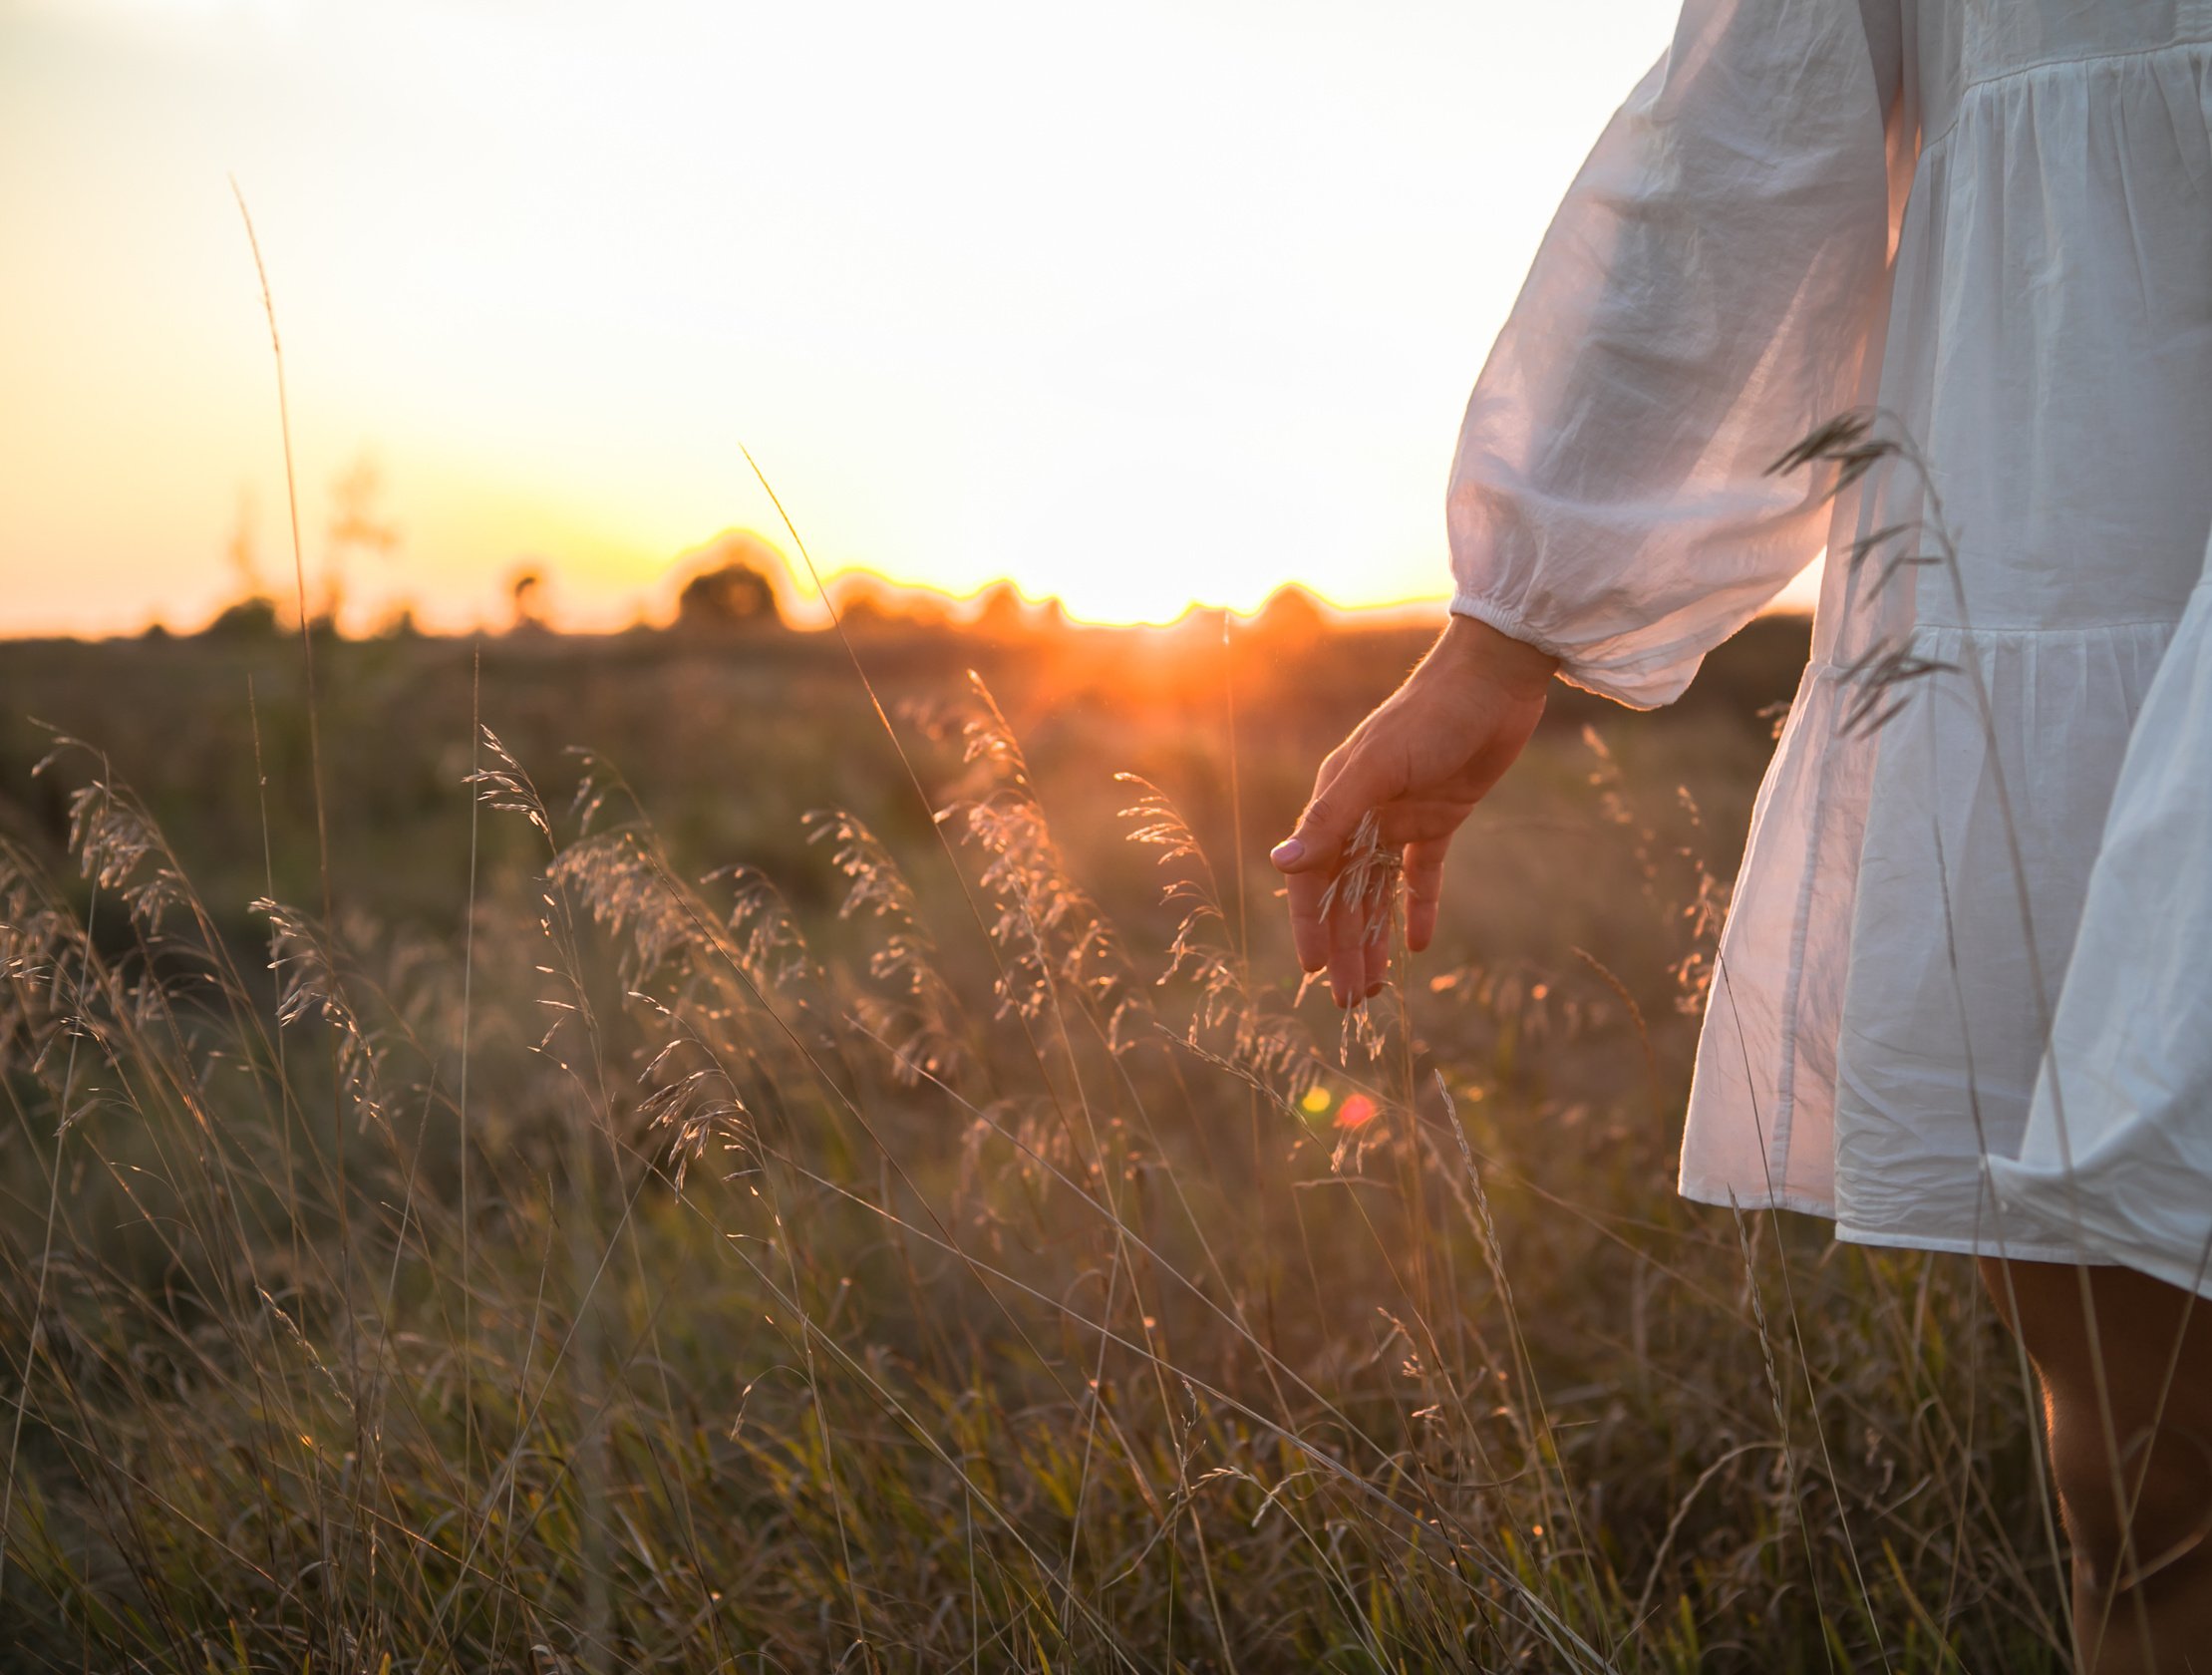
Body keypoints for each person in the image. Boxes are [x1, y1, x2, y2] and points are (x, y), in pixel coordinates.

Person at [1270, 2, 2212, 1666]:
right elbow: (1752, 135)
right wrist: (1504, 632)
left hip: (2073, 561)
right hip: (2094, 544)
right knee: (2162, 1496)